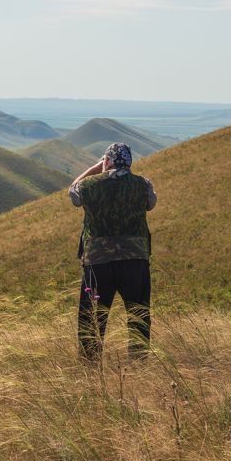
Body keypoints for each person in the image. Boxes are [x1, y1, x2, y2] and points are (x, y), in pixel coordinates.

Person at [69, 142, 157, 362]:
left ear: (106, 161)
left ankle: (90, 364)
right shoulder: (143, 185)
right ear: (130, 162)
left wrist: (98, 167)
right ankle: (139, 363)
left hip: (98, 262)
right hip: (135, 260)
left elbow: (73, 192)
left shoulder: (89, 184)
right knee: (138, 314)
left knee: (92, 317)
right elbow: (151, 204)